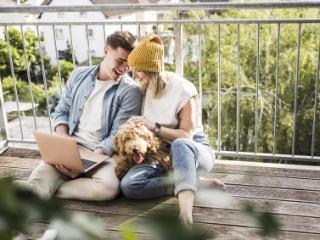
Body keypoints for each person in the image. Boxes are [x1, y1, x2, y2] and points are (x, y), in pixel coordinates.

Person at [121, 33, 226, 226]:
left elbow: (187, 135)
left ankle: (185, 215)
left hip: (193, 150)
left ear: (150, 68)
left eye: (138, 70)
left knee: (179, 144)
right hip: (163, 154)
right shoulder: (144, 88)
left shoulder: (184, 90)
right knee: (129, 185)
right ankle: (189, 184)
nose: (134, 74)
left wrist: (154, 126)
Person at [27, 30, 142, 201]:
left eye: (129, 64)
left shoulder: (130, 91)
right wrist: (63, 138)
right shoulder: (78, 75)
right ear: (105, 51)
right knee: (35, 185)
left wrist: (84, 166)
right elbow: (62, 111)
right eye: (120, 61)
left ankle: (54, 188)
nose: (124, 68)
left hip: (102, 153)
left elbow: (116, 135)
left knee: (108, 187)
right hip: (71, 146)